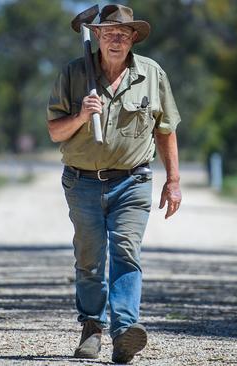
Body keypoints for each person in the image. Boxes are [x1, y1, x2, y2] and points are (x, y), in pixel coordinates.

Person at [46, 4, 181, 364]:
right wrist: (81, 115)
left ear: (133, 37)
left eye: (123, 33)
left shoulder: (152, 74)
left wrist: (174, 182)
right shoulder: (74, 74)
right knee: (90, 260)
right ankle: (91, 328)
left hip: (132, 181)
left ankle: (125, 332)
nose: (115, 40)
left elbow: (165, 130)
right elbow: (54, 131)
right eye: (108, 33)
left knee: (127, 252)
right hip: (82, 182)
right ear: (96, 36)